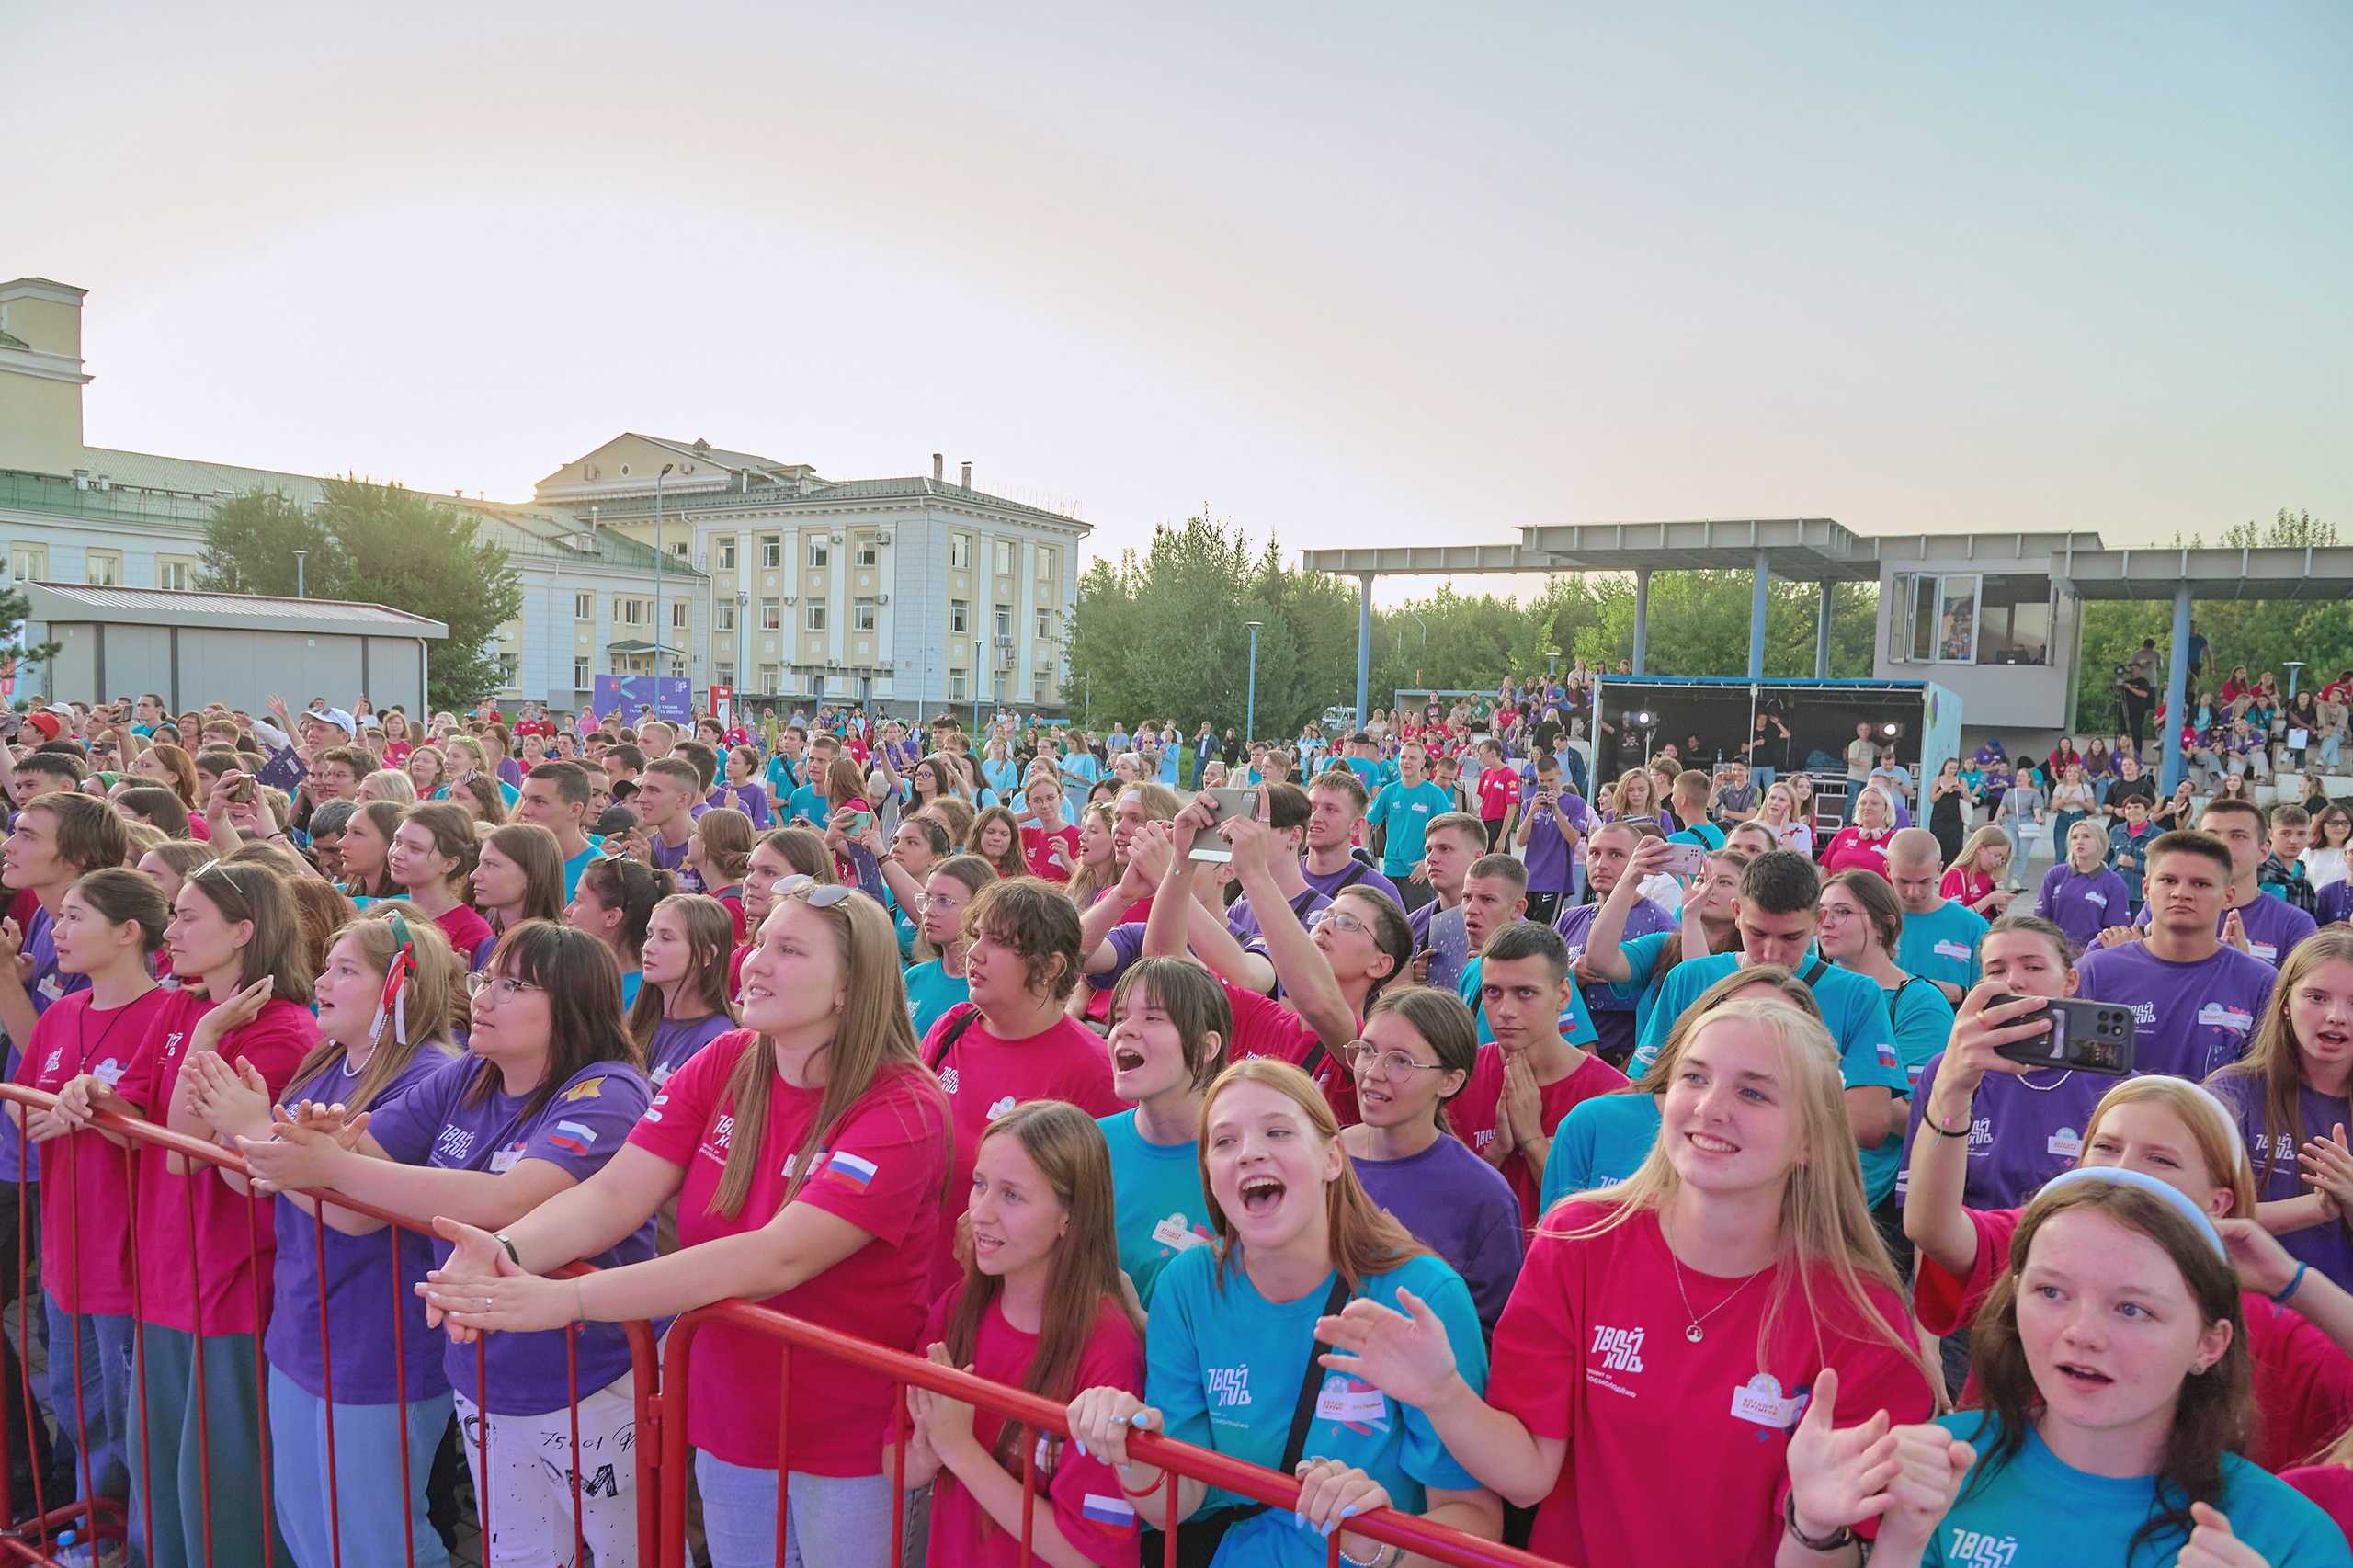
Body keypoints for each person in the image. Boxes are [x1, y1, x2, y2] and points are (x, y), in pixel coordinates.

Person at [1316, 1000, 1938, 1568]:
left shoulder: (1861, 1317)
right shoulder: (1580, 1239)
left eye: (1753, 1093)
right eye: (1693, 1077)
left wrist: (1816, 1523)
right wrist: (1443, 1393)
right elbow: (1529, 1474)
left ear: (1810, 1140)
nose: (1709, 1106)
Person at [240, 922, 655, 1568]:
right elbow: (370, 1154)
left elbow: (510, 1202)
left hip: (586, 1381)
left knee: (626, 1554)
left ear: (573, 1002)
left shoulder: (607, 1089)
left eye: (513, 985)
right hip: (485, 1374)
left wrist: (333, 1166)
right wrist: (321, 1144)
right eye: (486, 978)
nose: (483, 997)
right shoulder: (471, 1072)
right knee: (519, 1555)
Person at [1064, 1060, 1502, 1567]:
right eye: (1224, 1142)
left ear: (1332, 1158)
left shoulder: (1421, 1294)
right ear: (1208, 1172)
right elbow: (1175, 1506)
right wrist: (1126, 1445)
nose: (1249, 1152)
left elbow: (1474, 1520)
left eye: (1277, 1131)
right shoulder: (1186, 1287)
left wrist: (1375, 1547)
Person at [1813, 1168, 2348, 1565]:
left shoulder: (2290, 1537)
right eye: (2051, 1292)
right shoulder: (1939, 1461)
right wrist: (1878, 1542)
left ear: (2209, 1345)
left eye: (2132, 1308)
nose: (2082, 1334)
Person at [184, 908, 464, 1568]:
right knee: (307, 1528)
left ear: (398, 987)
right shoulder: (324, 1062)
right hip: (304, 1328)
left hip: (378, 1344)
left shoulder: (430, 1074)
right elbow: (260, 1186)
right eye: (325, 966)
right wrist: (236, 1131)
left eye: (346, 970)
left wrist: (254, 1131)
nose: (322, 981)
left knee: (374, 1538)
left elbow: (357, 1213)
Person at [63, 859, 322, 1568]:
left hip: (230, 1280)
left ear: (243, 931)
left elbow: (183, 1152)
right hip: (166, 1269)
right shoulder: (181, 1006)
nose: (169, 931)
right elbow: (137, 1117)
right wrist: (89, 1095)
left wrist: (206, 1038)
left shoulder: (282, 1031)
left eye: (186, 916)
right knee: (161, 1467)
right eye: (173, 914)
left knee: (224, 1481)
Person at [903, 1102, 1147, 1568]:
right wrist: (926, 1450)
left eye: (1012, 1196)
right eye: (980, 1186)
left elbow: (1091, 1555)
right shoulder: (960, 1305)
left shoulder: (1107, 1347)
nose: (981, 1213)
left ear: (1069, 1218)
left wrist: (959, 1449)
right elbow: (898, 1461)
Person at [8, 869, 173, 1537]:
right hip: (64, 1247)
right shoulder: (62, 1015)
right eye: (62, 916)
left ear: (129, 932)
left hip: (129, 1252)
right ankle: (90, 1526)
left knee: (126, 1412)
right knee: (79, 1406)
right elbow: (26, 1102)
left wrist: (102, 1112)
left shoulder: (167, 1015)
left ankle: (128, 1536)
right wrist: (50, 1114)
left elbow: (160, 1126)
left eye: (77, 917)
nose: (59, 931)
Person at [1590, 848, 1906, 1165]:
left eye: (1791, 937)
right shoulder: (1688, 978)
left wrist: (1734, 1127)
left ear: (1818, 922)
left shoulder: (1858, 994)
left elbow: (1870, 1123)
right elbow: (1645, 1091)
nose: (1771, 952)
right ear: (1737, 912)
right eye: (1757, 933)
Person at [920, 879, 1122, 1292]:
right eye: (976, 935)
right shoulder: (951, 1027)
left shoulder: (1093, 1070)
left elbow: (1094, 1218)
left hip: (1002, 1307)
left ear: (1049, 967)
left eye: (997, 942)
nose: (974, 952)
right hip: (914, 1282)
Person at [1538, 965, 1821, 1209]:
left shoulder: (1803, 1170)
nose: (1710, 1109)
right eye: (1736, 1013)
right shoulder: (1593, 1123)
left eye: (1777, 1026)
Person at [1339, 986, 1524, 1332]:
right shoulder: (1318, 1157)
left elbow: (1489, 1338)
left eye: (1401, 1061)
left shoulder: (1484, 1197)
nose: (1373, 1072)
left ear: (1450, 1081)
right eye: (1367, 1050)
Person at [1447, 920, 1628, 1225]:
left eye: (1525, 993)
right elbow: (1445, 1204)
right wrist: (1497, 1151)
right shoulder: (1458, 1079)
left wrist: (1532, 1139)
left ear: (1563, 995)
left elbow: (1597, 1226)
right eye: (1493, 991)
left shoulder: (1613, 1096)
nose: (1505, 1010)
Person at [2207, 928, 2353, 1292]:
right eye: (2317, 997)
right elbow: (2190, 1216)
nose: (2337, 1016)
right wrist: (2316, 1209)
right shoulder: (2231, 1093)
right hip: (2243, 1318)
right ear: (2284, 1002)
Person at [1817, 869, 1956, 1245]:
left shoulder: (1919, 1001)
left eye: (1842, 911)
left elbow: (1917, 1118)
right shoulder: (1803, 987)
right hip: (1802, 1183)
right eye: (1820, 910)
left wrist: (1838, 1086)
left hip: (1872, 1202)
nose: (1825, 922)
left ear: (1882, 926)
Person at [2080, 830, 2278, 1081]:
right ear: (2146, 888)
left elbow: (2269, 1084)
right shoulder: (2095, 972)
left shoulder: (2262, 984)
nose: (2181, 893)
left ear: (2228, 897)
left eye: (2201, 884)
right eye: (2169, 880)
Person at [1097, 957, 1227, 1310]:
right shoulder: (1088, 1146)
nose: (1124, 1029)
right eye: (1120, 1018)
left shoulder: (1241, 1164)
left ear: (1206, 1047)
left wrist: (1138, 1324)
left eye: (1152, 1018)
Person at [1553, 820, 1677, 1069]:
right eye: (1594, 853)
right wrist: (1571, 978)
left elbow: (1669, 1015)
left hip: (1628, 1066)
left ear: (1638, 861)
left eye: (1616, 855)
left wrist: (1627, 1072)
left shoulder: (1662, 926)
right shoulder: (1570, 918)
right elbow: (1540, 986)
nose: (1601, 864)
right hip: (1565, 1060)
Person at [2177, 799, 2322, 967]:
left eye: (2238, 836)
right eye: (2211, 835)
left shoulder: (2296, 924)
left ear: (2263, 852)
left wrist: (2246, 969)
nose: (2222, 845)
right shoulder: (2167, 908)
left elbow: (2303, 990)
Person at [631, 892, 739, 1090]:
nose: (648, 947)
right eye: (649, 935)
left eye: (666, 938)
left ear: (705, 956)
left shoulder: (716, 1040)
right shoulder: (645, 1020)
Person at [386, 801, 497, 968]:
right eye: (397, 841)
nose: (397, 853)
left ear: (449, 864)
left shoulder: (471, 930)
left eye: (415, 848)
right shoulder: (392, 909)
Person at [1884, 827, 1988, 1005]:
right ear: (1887, 869)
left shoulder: (1974, 927)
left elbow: (1994, 995)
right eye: (1904, 881)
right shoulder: (1869, 921)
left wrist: (1963, 994)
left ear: (1939, 869)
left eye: (1924, 882)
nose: (1914, 892)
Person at [566, 854, 672, 1009]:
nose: (566, 911)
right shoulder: (579, 975)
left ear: (611, 917)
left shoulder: (640, 999)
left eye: (578, 900)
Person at [1368, 743, 1454, 915]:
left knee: (1419, 928)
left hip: (1418, 874)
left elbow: (1451, 831)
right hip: (1391, 871)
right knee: (1391, 926)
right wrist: (1365, 849)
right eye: (1404, 757)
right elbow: (1369, 821)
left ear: (1422, 763)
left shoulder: (1434, 793)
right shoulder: (1389, 791)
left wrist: (1428, 862)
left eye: (1412, 758)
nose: (1406, 762)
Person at [2035, 818, 2133, 956]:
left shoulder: (2114, 883)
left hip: (2092, 956)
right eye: (2074, 837)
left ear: (2100, 842)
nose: (2079, 841)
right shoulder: (2055, 874)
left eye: (2086, 836)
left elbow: (2115, 930)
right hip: (2056, 953)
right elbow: (2042, 918)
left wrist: (2091, 953)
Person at [473, 821, 568, 942]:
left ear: (532, 875)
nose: (474, 875)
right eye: (479, 863)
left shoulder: (554, 953)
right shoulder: (487, 946)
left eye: (491, 864)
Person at [688, 806, 756, 940]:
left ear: (706, 846)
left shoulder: (730, 906)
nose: (689, 840)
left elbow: (730, 960)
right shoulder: (718, 897)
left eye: (694, 833)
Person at [1941, 824, 2017, 920]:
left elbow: (1986, 912)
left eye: (2002, 858)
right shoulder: (1956, 875)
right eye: (1996, 855)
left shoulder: (1987, 875)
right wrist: (1988, 900)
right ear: (1980, 848)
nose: (1999, 861)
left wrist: (1997, 908)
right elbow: (1954, 916)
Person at [1821, 785, 1898, 876]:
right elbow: (1825, 873)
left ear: (1887, 808)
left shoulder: (1896, 841)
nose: (1867, 807)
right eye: (1863, 803)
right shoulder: (1843, 834)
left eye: (1874, 803)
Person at [1926, 758, 1973, 867]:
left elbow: (1968, 799)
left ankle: (1951, 868)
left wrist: (1963, 790)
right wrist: (1943, 791)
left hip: (1955, 818)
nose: (1952, 771)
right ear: (1945, 768)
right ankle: (1938, 868)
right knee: (1938, 843)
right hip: (1939, 817)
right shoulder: (1937, 780)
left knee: (1955, 844)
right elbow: (1932, 799)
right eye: (1950, 768)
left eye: (1955, 769)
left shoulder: (1962, 780)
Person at [1759, 780, 1814, 858]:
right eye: (1772, 797)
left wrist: (1784, 832)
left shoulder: (1802, 830)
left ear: (1791, 806)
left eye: (1782, 800)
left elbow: (1802, 863)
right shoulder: (1754, 826)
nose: (1775, 803)